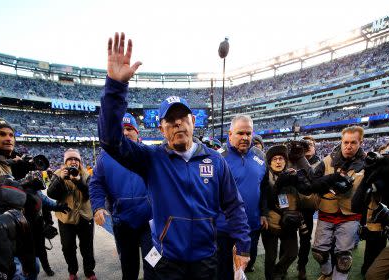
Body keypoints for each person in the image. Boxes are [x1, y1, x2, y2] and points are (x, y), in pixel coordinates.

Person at [98, 32, 250, 280]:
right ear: (162, 129)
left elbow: (233, 205)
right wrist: (115, 87)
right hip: (168, 261)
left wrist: (243, 244)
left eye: (183, 118)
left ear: (193, 122)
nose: (178, 124)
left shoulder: (215, 160)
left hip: (206, 258)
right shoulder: (151, 159)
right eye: (170, 120)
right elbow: (110, 141)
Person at [90, 113, 156, 280]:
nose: (125, 133)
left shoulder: (149, 154)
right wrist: (98, 206)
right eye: (121, 130)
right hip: (123, 222)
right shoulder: (105, 156)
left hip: (150, 222)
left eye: (129, 129)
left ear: (137, 133)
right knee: (129, 268)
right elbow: (96, 183)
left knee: (153, 267)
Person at [311, 126, 366, 280]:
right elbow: (313, 182)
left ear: (360, 142)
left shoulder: (369, 163)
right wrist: (328, 181)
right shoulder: (327, 160)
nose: (348, 146)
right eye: (345, 142)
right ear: (341, 142)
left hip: (351, 214)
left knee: (343, 257)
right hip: (326, 211)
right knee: (319, 252)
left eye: (353, 143)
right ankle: (327, 273)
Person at [216, 115, 266, 279]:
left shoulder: (260, 156)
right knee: (223, 272)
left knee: (243, 270)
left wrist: (263, 212)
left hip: (251, 227)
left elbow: (264, 187)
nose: (245, 137)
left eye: (248, 133)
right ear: (230, 134)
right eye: (240, 133)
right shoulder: (217, 158)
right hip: (224, 229)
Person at [0, 117, 35, 279]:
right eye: (2, 134)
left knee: (34, 266)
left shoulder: (3, 161)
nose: (8, 139)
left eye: (11, 135)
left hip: (13, 237)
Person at [352, 135, 389, 280]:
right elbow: (355, 207)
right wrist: (367, 177)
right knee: (372, 275)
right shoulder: (384, 179)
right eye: (385, 156)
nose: (388, 161)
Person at [260, 145, 310, 280]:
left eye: (281, 159)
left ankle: (278, 272)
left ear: (285, 161)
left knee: (292, 253)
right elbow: (265, 199)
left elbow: (306, 192)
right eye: (274, 159)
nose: (278, 162)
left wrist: (299, 179)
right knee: (270, 257)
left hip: (289, 222)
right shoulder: (264, 176)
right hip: (270, 223)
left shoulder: (292, 174)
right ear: (269, 162)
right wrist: (280, 183)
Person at [47, 149, 96, 280]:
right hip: (65, 217)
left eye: (76, 159)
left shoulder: (86, 174)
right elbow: (51, 194)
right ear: (65, 162)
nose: (73, 161)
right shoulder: (58, 173)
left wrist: (78, 181)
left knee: (87, 247)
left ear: (79, 161)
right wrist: (60, 180)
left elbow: (89, 195)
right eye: (70, 159)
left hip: (85, 216)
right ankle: (72, 271)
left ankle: (89, 271)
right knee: (68, 247)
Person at [297, 135, 320, 280]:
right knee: (287, 237)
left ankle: (302, 266)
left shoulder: (320, 163)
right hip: (291, 206)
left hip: (306, 208)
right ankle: (282, 265)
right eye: (304, 144)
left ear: (315, 147)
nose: (307, 146)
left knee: (305, 239)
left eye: (310, 144)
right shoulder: (294, 161)